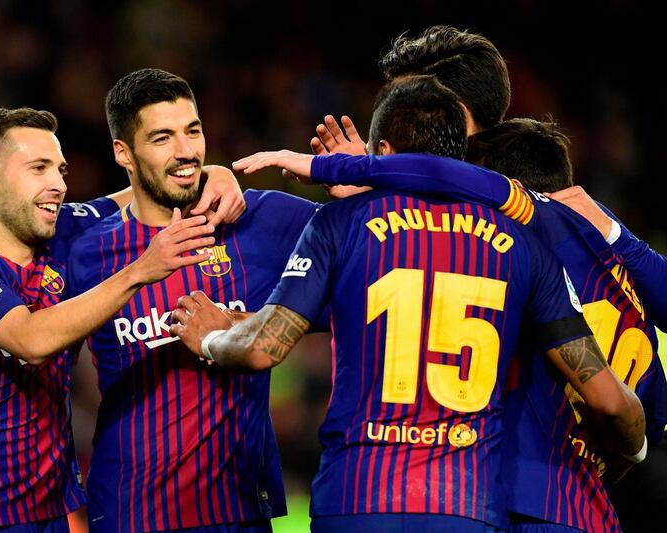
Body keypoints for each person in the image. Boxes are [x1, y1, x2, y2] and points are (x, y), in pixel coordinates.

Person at [171, 76, 646, 533]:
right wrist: (637, 448)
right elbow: (608, 400)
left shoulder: (339, 224)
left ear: (381, 155)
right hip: (466, 504)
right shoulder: (522, 244)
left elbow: (262, 350)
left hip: (356, 498)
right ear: (460, 156)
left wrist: (211, 338)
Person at [310, 25, 667, 532]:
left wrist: (370, 203)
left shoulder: (497, 227)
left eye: (416, 100)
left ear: (453, 111)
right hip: (589, 500)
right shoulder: (563, 212)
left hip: (508, 493)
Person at [0, 106, 245, 533]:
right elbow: (28, 340)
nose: (58, 185)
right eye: (39, 168)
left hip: (49, 511)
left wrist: (209, 174)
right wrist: (140, 270)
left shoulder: (62, 231)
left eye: (60, 170)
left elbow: (140, 194)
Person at [66, 68, 321, 532]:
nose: (186, 152)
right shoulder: (84, 251)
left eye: (193, 131)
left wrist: (357, 182)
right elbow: (20, 339)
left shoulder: (259, 220)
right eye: (162, 138)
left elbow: (379, 255)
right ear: (123, 153)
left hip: (238, 508)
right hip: (132, 512)